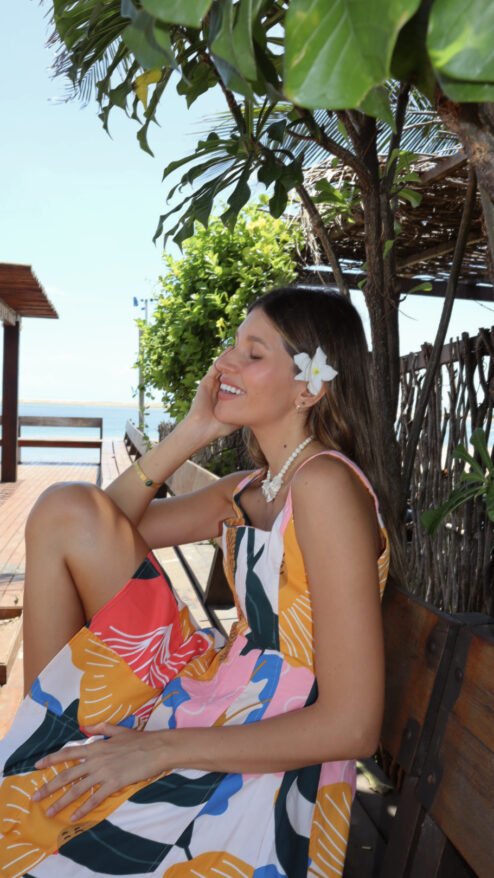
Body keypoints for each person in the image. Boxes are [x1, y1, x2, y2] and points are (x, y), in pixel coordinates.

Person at [0, 286, 392, 877]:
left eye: (253, 354)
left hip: (275, 749)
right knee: (62, 504)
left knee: (41, 832)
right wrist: (191, 430)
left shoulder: (326, 486)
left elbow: (354, 726)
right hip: (214, 695)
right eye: (232, 347)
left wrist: (157, 749)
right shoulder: (250, 488)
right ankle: (50, 747)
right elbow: (86, 527)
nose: (225, 363)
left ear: (309, 388)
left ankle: (55, 764)